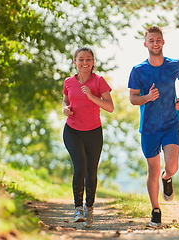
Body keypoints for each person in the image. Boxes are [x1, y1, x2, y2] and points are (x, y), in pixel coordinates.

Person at [128, 26, 179, 227]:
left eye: (158, 40)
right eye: (151, 40)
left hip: (171, 122)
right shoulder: (138, 70)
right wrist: (147, 97)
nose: (155, 43)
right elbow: (133, 99)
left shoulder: (174, 65)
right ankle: (155, 209)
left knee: (172, 166)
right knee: (152, 170)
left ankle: (168, 177)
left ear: (163, 42)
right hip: (149, 128)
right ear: (145, 44)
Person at [62, 47, 114, 228]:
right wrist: (65, 108)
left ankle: (89, 208)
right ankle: (78, 209)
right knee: (80, 167)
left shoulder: (99, 81)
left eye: (88, 59)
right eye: (81, 59)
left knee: (91, 171)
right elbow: (66, 100)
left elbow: (110, 107)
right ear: (74, 62)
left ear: (93, 62)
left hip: (93, 132)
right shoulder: (68, 82)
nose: (85, 63)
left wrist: (91, 96)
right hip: (72, 130)